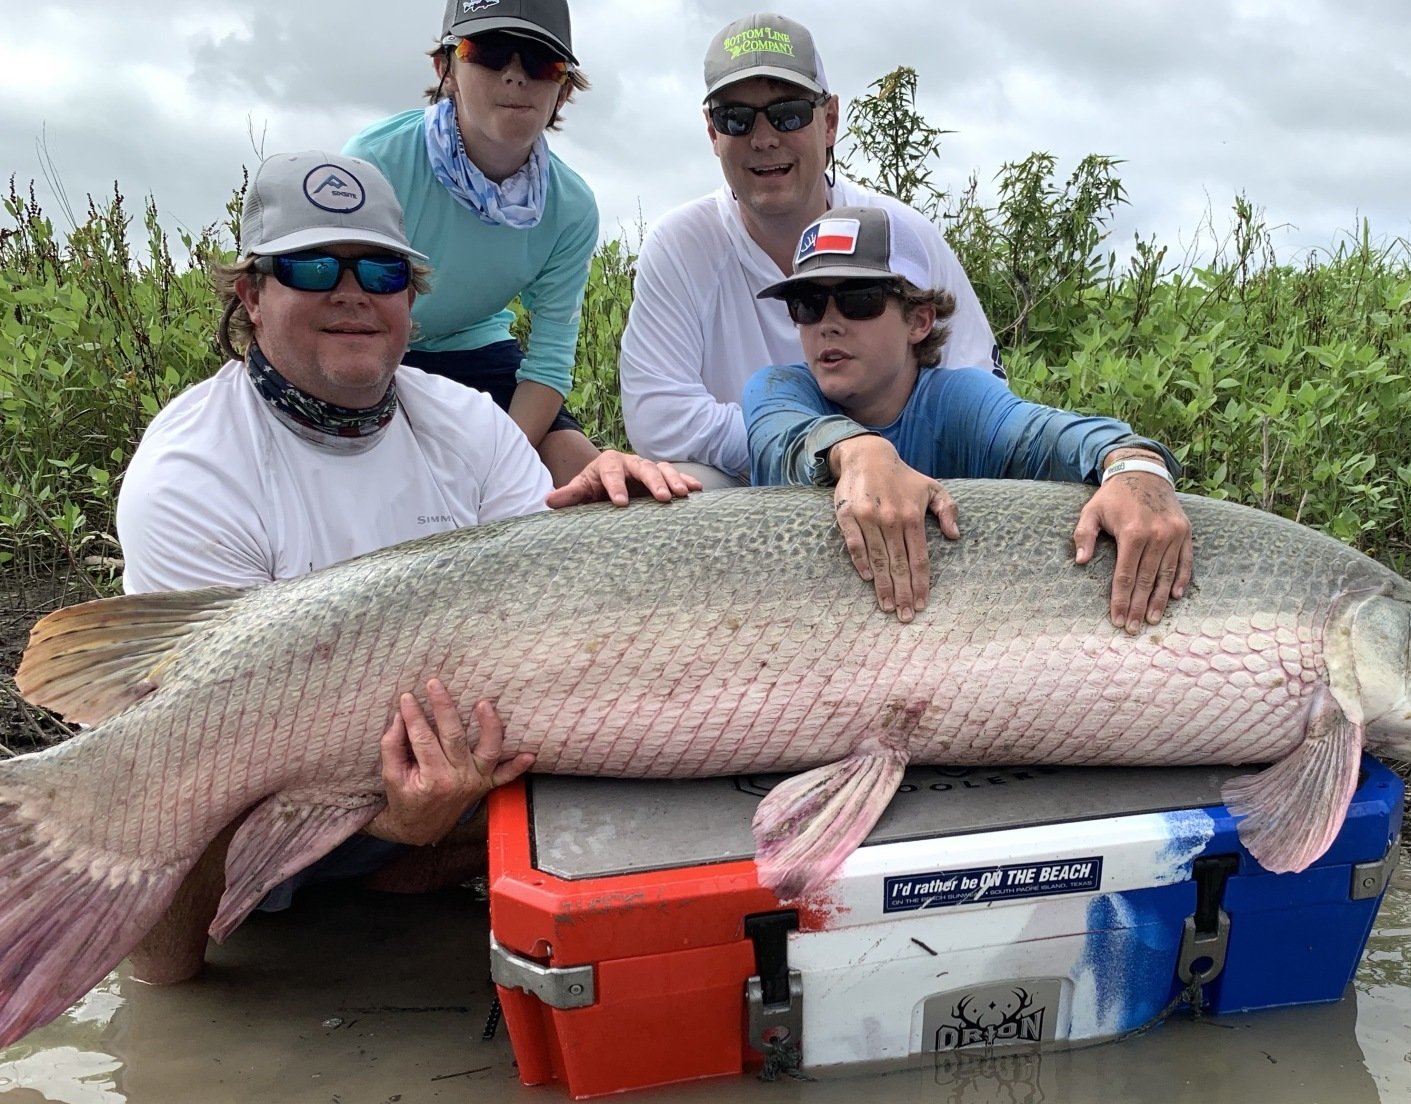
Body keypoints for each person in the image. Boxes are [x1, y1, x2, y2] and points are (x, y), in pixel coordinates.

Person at [115, 150, 695, 983]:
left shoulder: (470, 424)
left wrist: (606, 533)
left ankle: (405, 874)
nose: (352, 293)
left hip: (436, 784)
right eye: (313, 267)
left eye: (382, 271)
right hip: (248, 799)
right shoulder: (192, 471)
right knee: (161, 885)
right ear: (250, 295)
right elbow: (211, 741)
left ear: (410, 299)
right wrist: (383, 815)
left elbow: (551, 625)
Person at [744, 206, 1192, 634]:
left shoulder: (960, 401)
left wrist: (1136, 466)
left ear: (919, 321)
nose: (827, 324)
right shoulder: (777, 390)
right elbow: (786, 440)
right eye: (807, 304)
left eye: (858, 300)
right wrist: (860, 452)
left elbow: (1047, 434)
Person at [618, 12, 1002, 487]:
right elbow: (658, 418)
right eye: (736, 118)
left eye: (789, 114)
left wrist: (874, 455)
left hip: (908, 480)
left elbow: (981, 393)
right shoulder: (679, 245)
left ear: (830, 121)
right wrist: (827, 451)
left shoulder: (904, 234)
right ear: (713, 133)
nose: (763, 139)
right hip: (752, 489)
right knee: (676, 484)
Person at [343, 0, 601, 485]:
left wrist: (495, 468)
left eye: (540, 61)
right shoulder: (375, 164)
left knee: (580, 468)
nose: (515, 76)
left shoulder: (571, 208)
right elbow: (341, 313)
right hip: (373, 351)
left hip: (477, 347)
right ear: (447, 69)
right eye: (489, 52)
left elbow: (548, 366)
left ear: (564, 89)